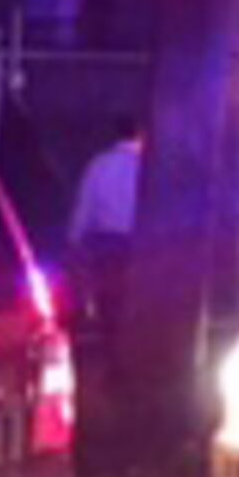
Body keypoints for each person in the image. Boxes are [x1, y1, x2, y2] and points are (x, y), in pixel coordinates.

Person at [66, 117, 144, 343]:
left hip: (106, 243)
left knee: (108, 300)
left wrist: (74, 239)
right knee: (132, 300)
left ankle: (111, 345)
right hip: (136, 244)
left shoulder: (99, 164)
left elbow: (85, 204)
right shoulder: (146, 167)